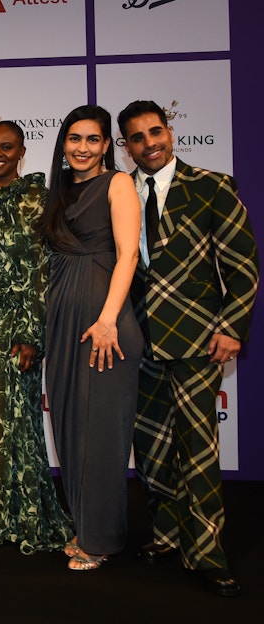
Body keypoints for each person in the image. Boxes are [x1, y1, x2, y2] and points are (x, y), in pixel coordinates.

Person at [118, 100, 258, 596]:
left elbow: (243, 267)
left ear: (170, 133)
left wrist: (232, 327)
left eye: (155, 132)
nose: (149, 143)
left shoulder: (212, 186)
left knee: (198, 448)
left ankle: (208, 553)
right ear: (126, 146)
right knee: (151, 448)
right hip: (138, 341)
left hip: (198, 338)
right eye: (137, 137)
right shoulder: (120, 191)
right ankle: (165, 536)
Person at [0, 121, 75, 551]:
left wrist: (31, 334)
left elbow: (41, 269)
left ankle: (21, 514)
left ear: (22, 152)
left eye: (6, 147)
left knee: (16, 421)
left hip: (17, 328)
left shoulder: (36, 199)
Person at [40, 105, 143, 570]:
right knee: (70, 430)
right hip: (64, 320)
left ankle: (99, 541)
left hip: (105, 325)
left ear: (106, 146)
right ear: (63, 143)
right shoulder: (59, 190)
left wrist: (107, 319)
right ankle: (86, 525)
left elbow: (127, 255)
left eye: (93, 139)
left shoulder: (118, 184)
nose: (82, 148)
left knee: (100, 435)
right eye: (75, 138)